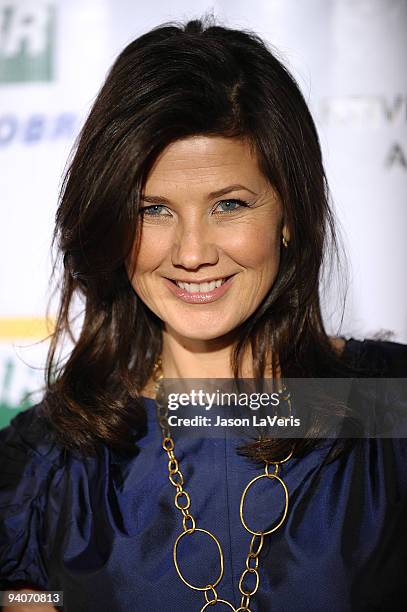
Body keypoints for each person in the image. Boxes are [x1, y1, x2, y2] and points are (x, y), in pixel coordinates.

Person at [1, 16, 406, 612]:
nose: (192, 254)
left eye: (229, 205)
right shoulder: (49, 466)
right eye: (153, 210)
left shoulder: (391, 417)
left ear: (289, 213)